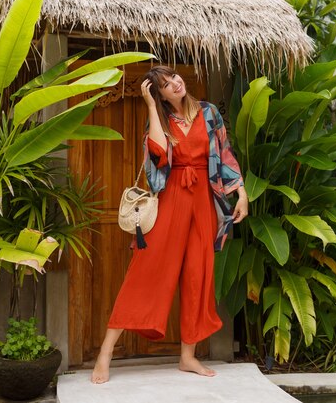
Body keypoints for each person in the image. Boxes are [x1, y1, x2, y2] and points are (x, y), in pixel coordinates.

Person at [91, 66, 248, 384]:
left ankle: (187, 357)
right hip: (171, 201)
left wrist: (240, 193)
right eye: (164, 84)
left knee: (196, 277)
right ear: (159, 93)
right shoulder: (160, 119)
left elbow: (224, 153)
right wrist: (150, 106)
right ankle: (105, 353)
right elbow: (159, 156)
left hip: (203, 202)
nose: (174, 84)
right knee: (145, 271)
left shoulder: (208, 112)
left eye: (174, 78)